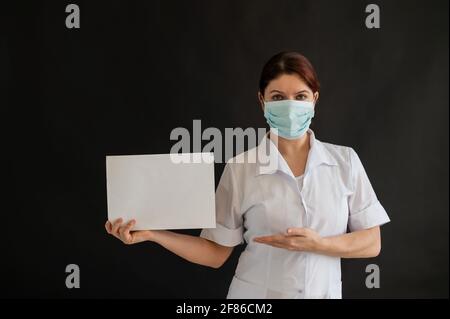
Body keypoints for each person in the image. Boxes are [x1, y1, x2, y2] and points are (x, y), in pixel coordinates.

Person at [105, 51, 391, 299]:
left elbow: (371, 242)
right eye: (278, 97)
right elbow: (215, 253)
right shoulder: (241, 168)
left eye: (300, 96)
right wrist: (154, 234)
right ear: (262, 101)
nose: (290, 106)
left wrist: (320, 244)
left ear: (314, 98)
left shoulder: (345, 161)